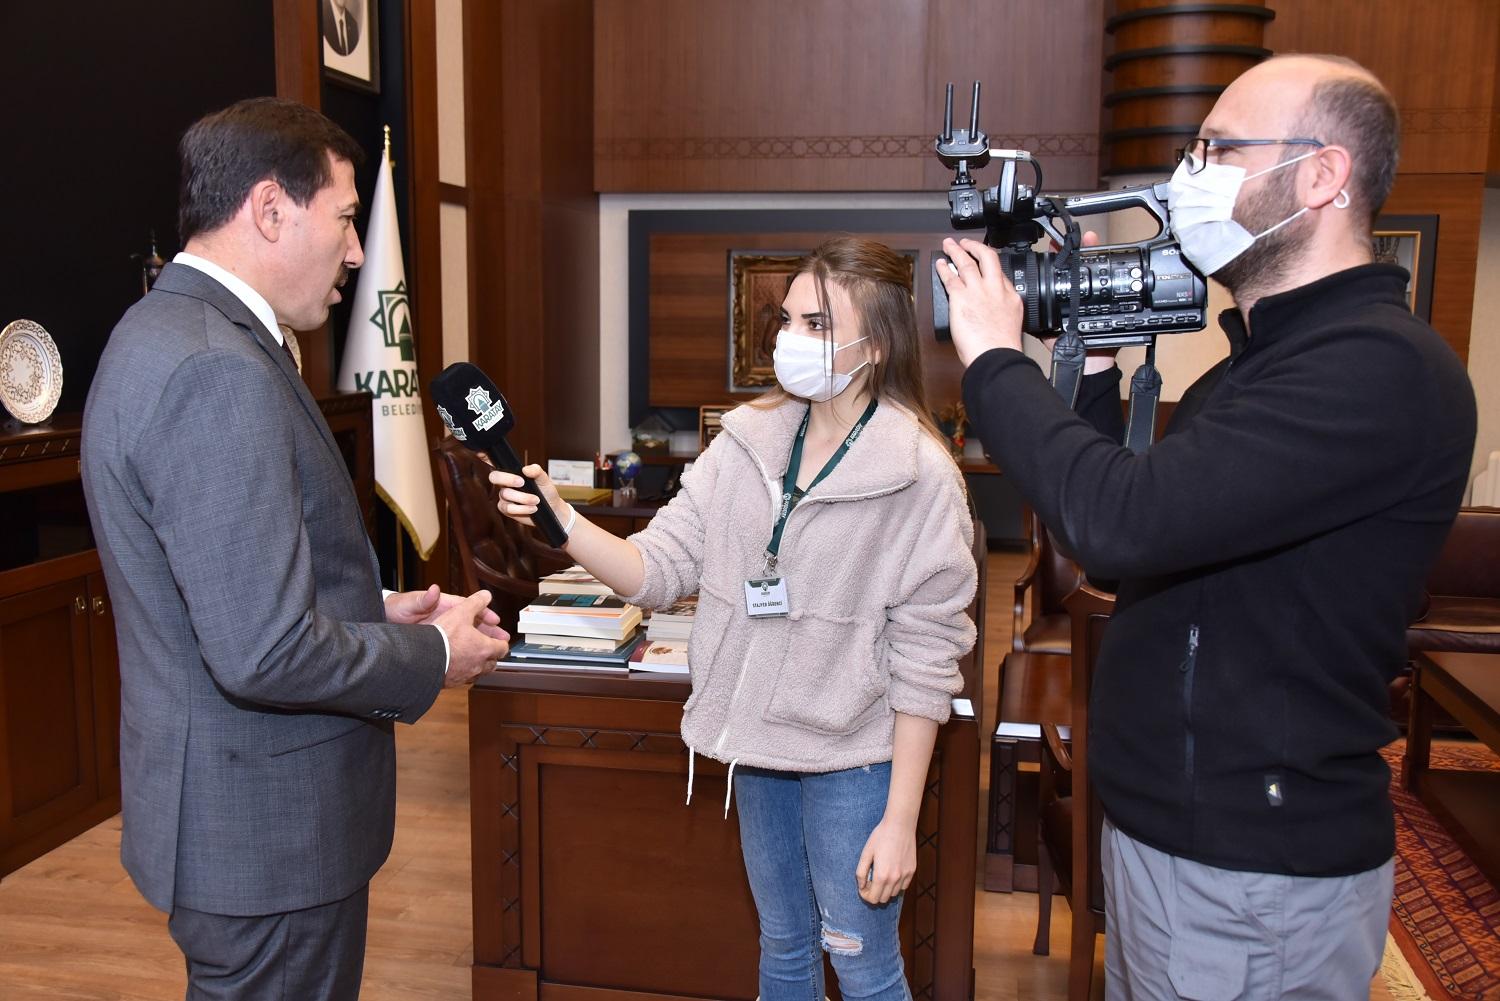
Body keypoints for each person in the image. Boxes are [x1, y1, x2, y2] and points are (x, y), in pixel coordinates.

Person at [938, 54, 1477, 999]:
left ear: (1322, 174)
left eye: (1218, 149)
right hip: (1179, 843)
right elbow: (1125, 539)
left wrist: (993, 360)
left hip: (1250, 867)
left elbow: (1121, 521)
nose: (1191, 173)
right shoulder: (1259, 367)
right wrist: (1093, 371)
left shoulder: (1374, 368)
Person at [81, 97, 509, 1000]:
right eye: (346, 219)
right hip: (267, 839)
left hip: (237, 823)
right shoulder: (216, 368)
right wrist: (435, 653)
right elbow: (263, 649)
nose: (356, 252)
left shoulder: (161, 329)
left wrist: (373, 608)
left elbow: (221, 583)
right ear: (271, 209)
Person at [492, 237, 977, 1001]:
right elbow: (657, 569)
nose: (792, 339)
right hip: (757, 747)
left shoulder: (919, 475)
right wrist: (563, 523)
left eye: (818, 324)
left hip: (855, 762)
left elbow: (927, 658)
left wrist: (900, 818)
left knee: (862, 965)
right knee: (783, 948)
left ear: (877, 344)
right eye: (788, 319)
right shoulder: (746, 440)